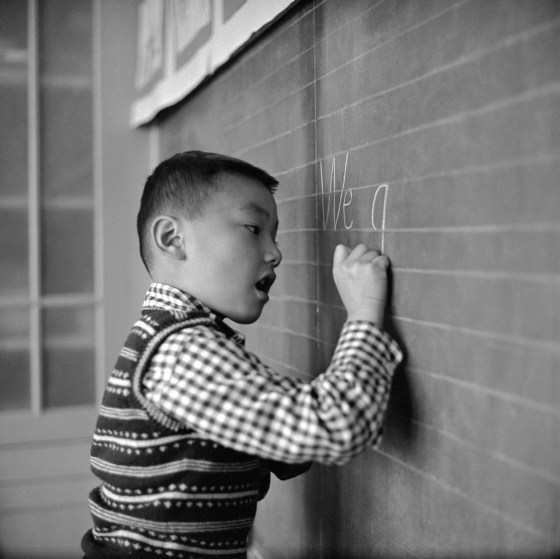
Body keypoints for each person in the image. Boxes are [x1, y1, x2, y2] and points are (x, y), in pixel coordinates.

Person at [82, 151, 402, 558]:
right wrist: (364, 312)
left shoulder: (177, 340)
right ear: (172, 239)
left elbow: (279, 446)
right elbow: (337, 426)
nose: (276, 253)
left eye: (275, 234)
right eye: (254, 228)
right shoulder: (184, 353)